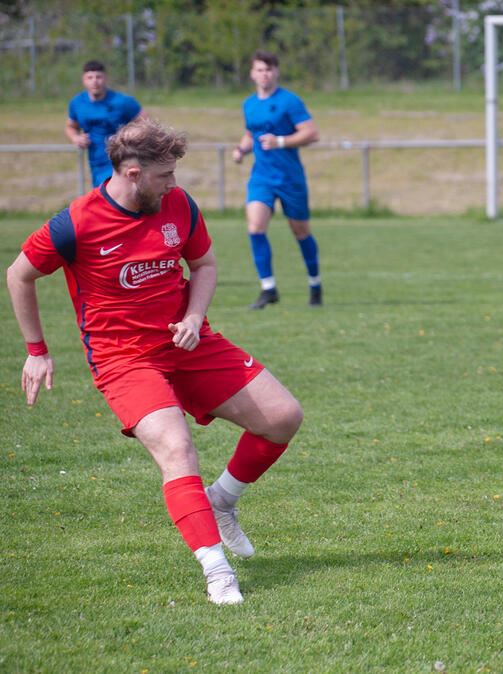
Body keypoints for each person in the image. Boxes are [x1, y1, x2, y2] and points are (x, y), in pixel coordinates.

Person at [7, 118, 304, 606]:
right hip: (123, 359)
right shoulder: (75, 222)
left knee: (283, 417)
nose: (174, 183)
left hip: (187, 341)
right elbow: (19, 275)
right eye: (164, 174)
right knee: (176, 448)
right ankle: (218, 570)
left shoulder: (179, 205)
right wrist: (36, 351)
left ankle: (221, 501)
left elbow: (203, 264)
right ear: (130, 172)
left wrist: (193, 315)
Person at [232, 50, 322, 309]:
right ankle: (268, 288)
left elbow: (311, 133)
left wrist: (280, 141)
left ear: (276, 72)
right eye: (259, 69)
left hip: (289, 177)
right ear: (252, 73)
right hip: (262, 176)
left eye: (269, 69)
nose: (264, 74)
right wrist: (241, 150)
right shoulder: (249, 104)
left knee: (300, 232)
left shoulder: (290, 101)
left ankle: (315, 284)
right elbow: (251, 134)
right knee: (255, 227)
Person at [65, 60, 146, 187]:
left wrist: (128, 136)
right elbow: (71, 127)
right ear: (84, 80)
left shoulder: (122, 101)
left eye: (98, 77)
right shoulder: (77, 103)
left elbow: (145, 123)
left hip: (122, 161)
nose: (95, 81)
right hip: (96, 162)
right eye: (90, 77)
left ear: (105, 78)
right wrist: (76, 138)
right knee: (103, 198)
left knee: (118, 197)